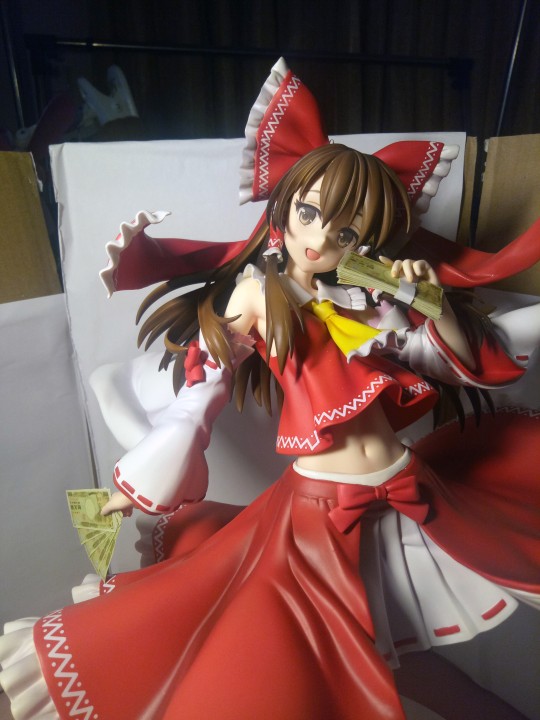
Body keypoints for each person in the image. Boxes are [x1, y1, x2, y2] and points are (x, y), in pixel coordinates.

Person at [1, 58, 539, 720]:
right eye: (310, 213)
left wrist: (431, 301)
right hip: (317, 515)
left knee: (408, 661)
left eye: (346, 231)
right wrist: (140, 482)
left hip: (410, 497)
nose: (322, 238)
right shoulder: (259, 294)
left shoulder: (370, 300)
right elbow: (202, 390)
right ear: (287, 206)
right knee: (283, 664)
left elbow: (453, 363)